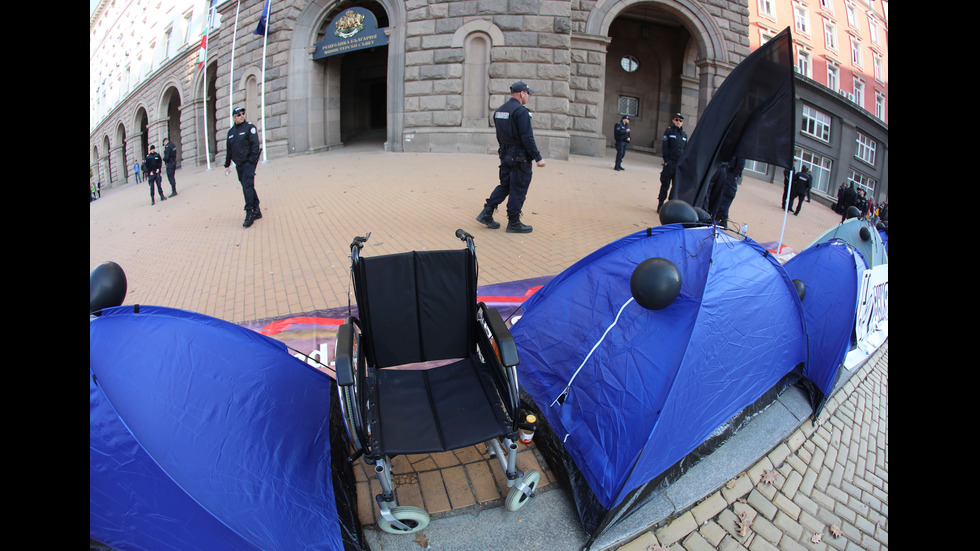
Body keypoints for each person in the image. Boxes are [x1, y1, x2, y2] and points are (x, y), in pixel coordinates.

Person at [475, 82, 546, 233]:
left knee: (505, 185)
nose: (528, 97)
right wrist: (538, 157)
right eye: (528, 94)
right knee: (518, 188)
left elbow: (500, 135)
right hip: (520, 157)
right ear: (522, 93)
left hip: (505, 154)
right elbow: (527, 137)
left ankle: (487, 213)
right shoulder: (521, 112)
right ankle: (514, 222)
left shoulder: (500, 111)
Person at [224, 106, 263, 228]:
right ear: (234, 117)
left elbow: (255, 144)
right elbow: (229, 150)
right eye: (239, 114)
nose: (242, 116)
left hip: (248, 163)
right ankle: (257, 210)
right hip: (239, 165)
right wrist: (227, 164)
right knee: (247, 186)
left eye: (243, 113)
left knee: (247, 187)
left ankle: (249, 213)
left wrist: (252, 160)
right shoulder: (231, 133)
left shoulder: (249, 128)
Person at [657, 113, 687, 213]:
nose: (678, 122)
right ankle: (660, 204)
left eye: (680, 120)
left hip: (678, 165)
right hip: (670, 163)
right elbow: (665, 147)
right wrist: (666, 161)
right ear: (673, 120)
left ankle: (670, 207)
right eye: (677, 120)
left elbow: (685, 149)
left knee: (675, 187)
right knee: (665, 184)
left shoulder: (684, 134)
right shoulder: (669, 131)